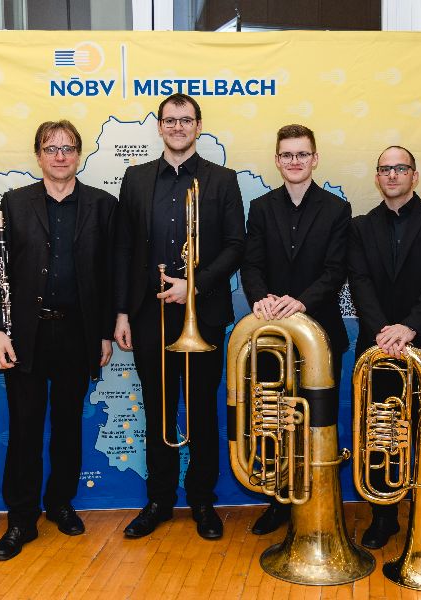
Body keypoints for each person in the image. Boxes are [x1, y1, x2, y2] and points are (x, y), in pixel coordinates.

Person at [113, 93, 245, 540]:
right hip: (149, 313)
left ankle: (202, 500)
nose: (177, 127)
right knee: (158, 409)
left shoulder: (223, 180)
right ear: (159, 127)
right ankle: (159, 500)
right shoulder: (135, 179)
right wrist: (122, 313)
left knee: (203, 410)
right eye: (170, 120)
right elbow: (124, 249)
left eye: (185, 120)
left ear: (198, 126)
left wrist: (195, 285)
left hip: (201, 313)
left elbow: (236, 246)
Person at [0, 120, 116, 561]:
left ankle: (60, 503)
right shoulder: (14, 203)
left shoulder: (103, 205)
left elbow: (109, 274)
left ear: (79, 154)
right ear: (38, 155)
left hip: (79, 333)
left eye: (68, 148)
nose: (60, 156)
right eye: (51, 148)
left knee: (67, 426)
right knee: (24, 428)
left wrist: (104, 332)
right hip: (26, 335)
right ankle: (21, 519)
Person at [347, 145, 421, 549]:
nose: (392, 175)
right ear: (377, 177)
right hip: (377, 348)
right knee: (379, 434)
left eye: (400, 168)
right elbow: (359, 282)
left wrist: (409, 327)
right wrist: (384, 331)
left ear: (414, 175)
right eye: (385, 169)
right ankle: (384, 517)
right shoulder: (359, 227)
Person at [240, 124, 351, 535]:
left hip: (321, 333)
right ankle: (279, 502)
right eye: (287, 155)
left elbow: (336, 270)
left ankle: (321, 502)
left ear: (315, 159)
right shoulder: (261, 208)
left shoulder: (337, 209)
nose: (294, 161)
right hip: (272, 335)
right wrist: (260, 298)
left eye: (302, 154)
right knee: (275, 420)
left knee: (318, 422)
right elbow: (251, 264)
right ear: (277, 160)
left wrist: (301, 301)